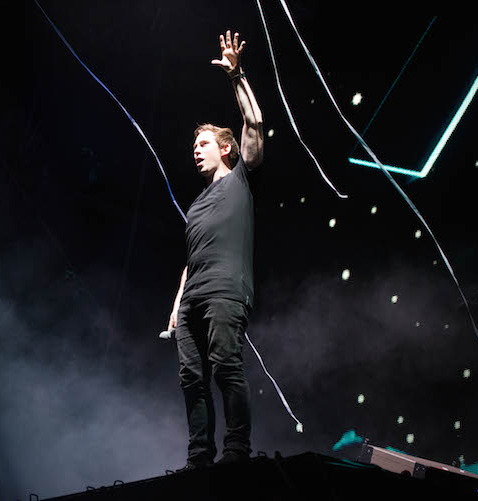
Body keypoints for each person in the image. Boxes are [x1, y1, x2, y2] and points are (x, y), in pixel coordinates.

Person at [168, 30, 264, 470]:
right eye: (193, 146)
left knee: (226, 366)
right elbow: (190, 260)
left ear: (225, 148)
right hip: (192, 298)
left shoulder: (240, 179)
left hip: (226, 291)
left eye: (203, 144)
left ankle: (237, 452)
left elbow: (255, 124)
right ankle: (199, 458)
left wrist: (236, 75)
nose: (196, 150)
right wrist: (177, 305)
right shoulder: (195, 205)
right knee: (191, 379)